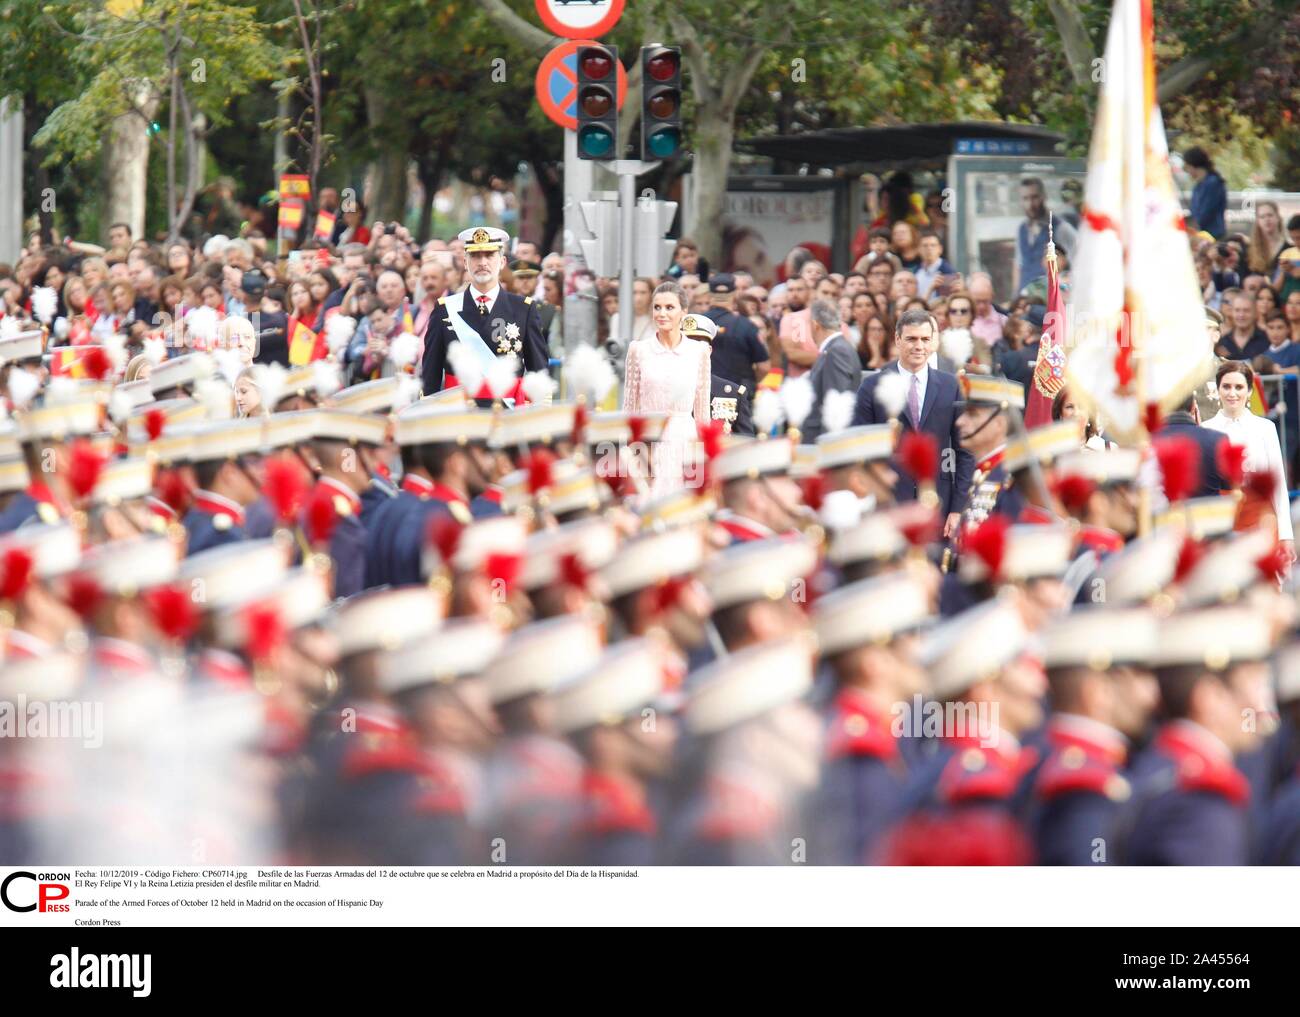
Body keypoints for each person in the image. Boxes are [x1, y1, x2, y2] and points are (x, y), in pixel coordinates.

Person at [849, 308, 974, 538]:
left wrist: (958, 509)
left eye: (925, 339)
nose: (919, 346)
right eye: (912, 339)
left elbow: (965, 450)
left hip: (939, 503)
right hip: (889, 505)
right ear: (897, 339)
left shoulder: (950, 385)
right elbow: (860, 451)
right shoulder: (872, 386)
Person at [420, 226, 548, 397]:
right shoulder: (445, 310)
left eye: (489, 255)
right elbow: (431, 374)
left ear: (502, 262)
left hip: (507, 414)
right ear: (465, 262)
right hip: (459, 413)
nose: (482, 262)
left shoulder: (524, 309)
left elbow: (538, 373)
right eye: (475, 256)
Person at [1201, 360, 1295, 563]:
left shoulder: (1265, 428)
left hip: (1260, 517)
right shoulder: (1206, 429)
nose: (1232, 393)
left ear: (1250, 391)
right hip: (1222, 518)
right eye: (1226, 386)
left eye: (1239, 387)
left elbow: (1277, 481)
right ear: (1218, 390)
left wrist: (1286, 535)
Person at [703, 273, 769, 435]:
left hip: (702, 396)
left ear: (710, 295)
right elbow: (764, 366)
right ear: (734, 295)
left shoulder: (697, 324)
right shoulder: (746, 326)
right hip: (737, 399)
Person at [799, 298, 861, 444]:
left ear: (815, 325)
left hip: (825, 443)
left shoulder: (837, 351)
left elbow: (835, 404)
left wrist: (829, 449)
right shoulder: (835, 348)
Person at [1154, 392, 1228, 498]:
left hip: (1163, 513)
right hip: (1207, 511)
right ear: (1193, 406)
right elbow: (1228, 487)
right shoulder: (1216, 439)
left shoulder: (1150, 441)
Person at [1015, 178, 1077, 294]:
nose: (1030, 204)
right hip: (1026, 301)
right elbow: (1019, 266)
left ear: (1043, 197)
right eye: (1025, 199)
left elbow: (1078, 263)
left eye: (1034, 197)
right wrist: (1016, 297)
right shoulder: (1022, 229)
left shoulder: (1061, 228)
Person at [1183, 146, 1227, 239]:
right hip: (1200, 235)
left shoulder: (1213, 183)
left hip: (1213, 236)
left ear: (1193, 165)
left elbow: (1205, 213)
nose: (1187, 171)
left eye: (1187, 167)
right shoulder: (1198, 187)